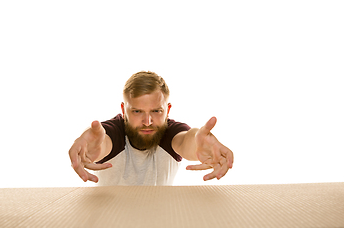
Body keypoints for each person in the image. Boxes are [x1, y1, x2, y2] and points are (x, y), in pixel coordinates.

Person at [69, 71, 234, 185]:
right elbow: (103, 142)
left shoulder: (171, 132)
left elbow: (186, 141)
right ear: (123, 110)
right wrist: (89, 146)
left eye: (156, 111)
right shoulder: (113, 132)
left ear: (167, 110)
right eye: (137, 111)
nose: (147, 121)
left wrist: (200, 146)